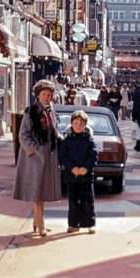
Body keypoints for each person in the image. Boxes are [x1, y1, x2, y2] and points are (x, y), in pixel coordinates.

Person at [12, 79, 62, 237]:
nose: (47, 97)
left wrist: (59, 137)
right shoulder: (31, 111)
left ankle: (36, 220)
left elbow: (53, 130)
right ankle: (41, 224)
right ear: (38, 95)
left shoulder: (52, 111)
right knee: (38, 191)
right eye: (44, 94)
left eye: (49, 94)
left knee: (43, 189)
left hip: (49, 154)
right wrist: (35, 150)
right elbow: (23, 135)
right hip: (35, 157)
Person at [59, 110, 98, 234]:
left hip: (86, 175)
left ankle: (90, 223)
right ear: (71, 124)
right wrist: (72, 168)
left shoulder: (89, 140)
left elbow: (93, 156)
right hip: (72, 175)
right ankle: (73, 224)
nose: (78, 126)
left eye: (81, 124)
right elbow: (62, 157)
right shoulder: (67, 140)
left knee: (88, 200)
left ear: (85, 125)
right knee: (73, 200)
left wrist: (85, 168)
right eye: (76, 123)